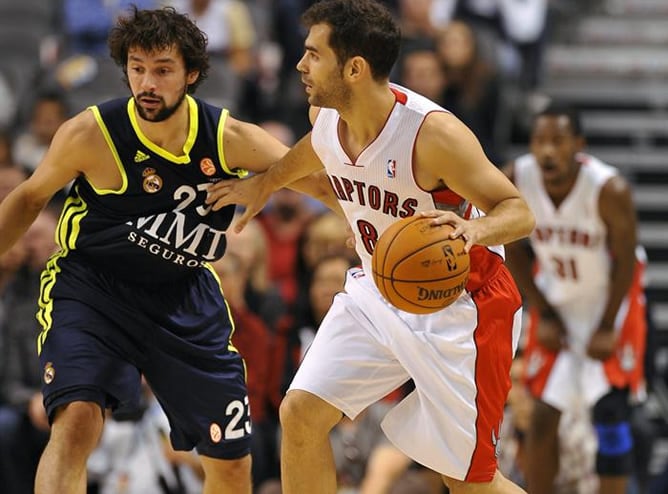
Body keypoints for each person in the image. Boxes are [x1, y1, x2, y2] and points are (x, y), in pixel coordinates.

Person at [0, 6, 336, 494]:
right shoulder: (92, 133)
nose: (146, 83)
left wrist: (367, 225)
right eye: (137, 68)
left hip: (182, 296)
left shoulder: (228, 137)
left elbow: (322, 186)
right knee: (75, 423)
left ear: (191, 74)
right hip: (92, 290)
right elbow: (30, 198)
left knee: (230, 460)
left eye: (162, 70)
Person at [205, 1, 535, 493]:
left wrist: (472, 231)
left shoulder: (432, 134)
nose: (300, 65)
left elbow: (519, 212)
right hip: (378, 291)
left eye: (314, 55)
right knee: (301, 413)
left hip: (460, 307)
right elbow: (316, 148)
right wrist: (266, 183)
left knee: (467, 482)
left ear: (354, 68)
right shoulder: (326, 115)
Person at [501, 103, 647, 494]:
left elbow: (627, 263)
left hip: (610, 301)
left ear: (578, 145)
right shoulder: (517, 178)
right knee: (543, 417)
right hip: (557, 300)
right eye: (539, 141)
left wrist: (605, 326)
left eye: (558, 141)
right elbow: (511, 246)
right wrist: (542, 311)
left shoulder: (608, 189)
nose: (547, 150)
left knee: (611, 413)